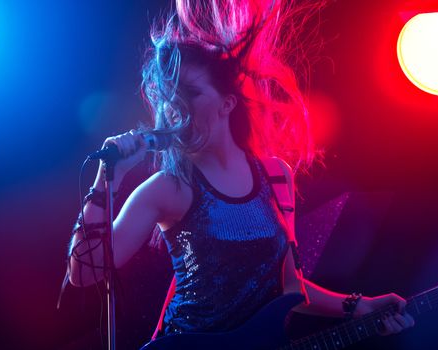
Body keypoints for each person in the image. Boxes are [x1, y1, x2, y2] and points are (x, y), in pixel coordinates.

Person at [67, 0, 415, 345]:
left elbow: (288, 286)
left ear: (227, 103)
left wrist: (360, 306)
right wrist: (108, 179)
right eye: (169, 96)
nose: (175, 106)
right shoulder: (168, 189)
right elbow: (84, 273)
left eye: (190, 92)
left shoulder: (277, 178)